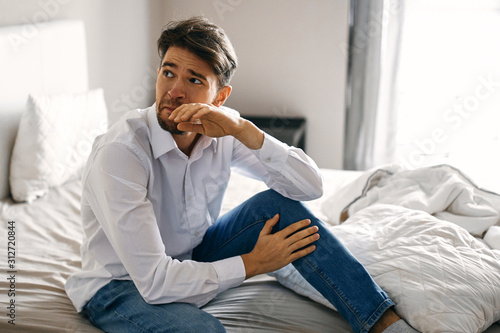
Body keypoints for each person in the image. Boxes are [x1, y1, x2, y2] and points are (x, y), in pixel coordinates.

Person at [65, 16, 418, 333]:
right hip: (121, 285)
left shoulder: (223, 130)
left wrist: (246, 130)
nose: (174, 91)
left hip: (193, 255)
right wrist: (254, 263)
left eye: (194, 79)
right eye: (168, 72)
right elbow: (155, 281)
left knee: (277, 207)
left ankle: (383, 324)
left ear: (220, 97)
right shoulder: (122, 152)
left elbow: (310, 188)